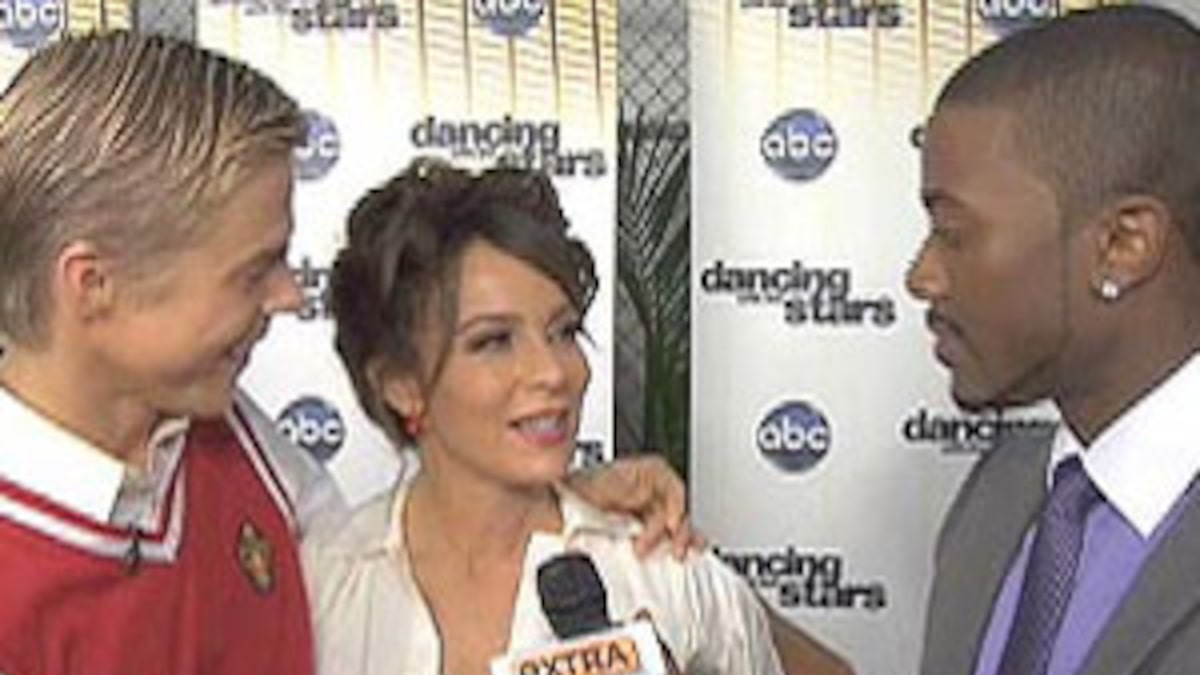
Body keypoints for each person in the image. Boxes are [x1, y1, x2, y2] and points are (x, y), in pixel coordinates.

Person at [0, 32, 691, 675]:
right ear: (93, 284)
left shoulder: (223, 437)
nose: (288, 295)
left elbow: (366, 556)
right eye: (253, 271)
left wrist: (539, 503)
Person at [304, 159, 789, 675]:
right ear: (401, 385)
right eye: (494, 341)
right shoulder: (324, 586)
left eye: (564, 332)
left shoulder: (664, 575)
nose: (553, 372)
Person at [907, 6, 1200, 674]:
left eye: (954, 234)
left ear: (1122, 244)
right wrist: (706, 597)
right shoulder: (999, 494)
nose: (921, 277)